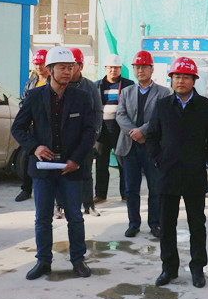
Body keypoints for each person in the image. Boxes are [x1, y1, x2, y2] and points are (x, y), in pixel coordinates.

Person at [10, 46, 96, 280]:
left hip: (71, 168)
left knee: (75, 217)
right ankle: (43, 261)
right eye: (62, 68)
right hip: (43, 169)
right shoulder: (35, 96)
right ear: (50, 70)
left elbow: (89, 132)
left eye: (70, 67)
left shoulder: (81, 98)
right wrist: (35, 147)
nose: (67, 72)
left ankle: (78, 260)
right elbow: (18, 128)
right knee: (43, 218)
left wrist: (76, 159)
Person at [147, 57, 208, 289]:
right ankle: (169, 268)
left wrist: (204, 162)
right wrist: (159, 159)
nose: (181, 81)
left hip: (194, 175)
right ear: (171, 79)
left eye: (186, 77)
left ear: (194, 80)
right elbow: (152, 136)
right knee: (166, 224)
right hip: (167, 174)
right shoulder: (162, 106)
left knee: (197, 224)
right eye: (177, 76)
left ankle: (197, 268)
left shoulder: (206, 107)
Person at [115, 50, 170, 239]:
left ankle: (155, 223)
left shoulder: (163, 93)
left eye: (144, 67)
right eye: (137, 67)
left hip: (151, 146)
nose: (140, 70)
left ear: (151, 69)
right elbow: (120, 115)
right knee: (131, 188)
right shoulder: (126, 91)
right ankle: (133, 223)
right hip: (129, 146)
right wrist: (134, 132)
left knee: (155, 187)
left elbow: (160, 117)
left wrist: (143, 132)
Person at [66, 47, 103, 217]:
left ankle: (88, 205)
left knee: (86, 173)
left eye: (72, 65)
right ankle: (60, 205)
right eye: (66, 65)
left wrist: (94, 134)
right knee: (61, 172)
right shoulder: (60, 84)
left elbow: (97, 112)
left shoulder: (90, 87)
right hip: (64, 139)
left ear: (80, 66)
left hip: (85, 138)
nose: (68, 69)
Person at [94, 54, 134, 203]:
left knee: (124, 163)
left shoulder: (128, 85)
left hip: (121, 131)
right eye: (110, 67)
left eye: (116, 67)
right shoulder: (97, 85)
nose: (113, 70)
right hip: (102, 130)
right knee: (101, 164)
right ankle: (100, 194)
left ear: (120, 69)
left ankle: (126, 194)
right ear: (105, 68)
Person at [15, 49, 49, 202]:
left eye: (41, 63)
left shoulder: (53, 82)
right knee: (28, 158)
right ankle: (26, 189)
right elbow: (23, 102)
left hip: (47, 128)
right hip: (31, 128)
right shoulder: (31, 83)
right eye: (36, 64)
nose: (39, 67)